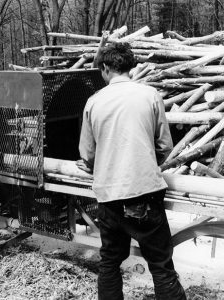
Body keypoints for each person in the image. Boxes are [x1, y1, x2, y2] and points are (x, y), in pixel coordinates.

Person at [77, 43, 186, 300]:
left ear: (104, 68)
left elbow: (88, 155)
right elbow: (165, 146)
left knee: (110, 262)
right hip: (145, 192)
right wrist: (145, 163)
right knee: (160, 265)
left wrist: (99, 166)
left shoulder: (93, 102)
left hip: (110, 196)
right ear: (131, 66)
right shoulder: (150, 95)